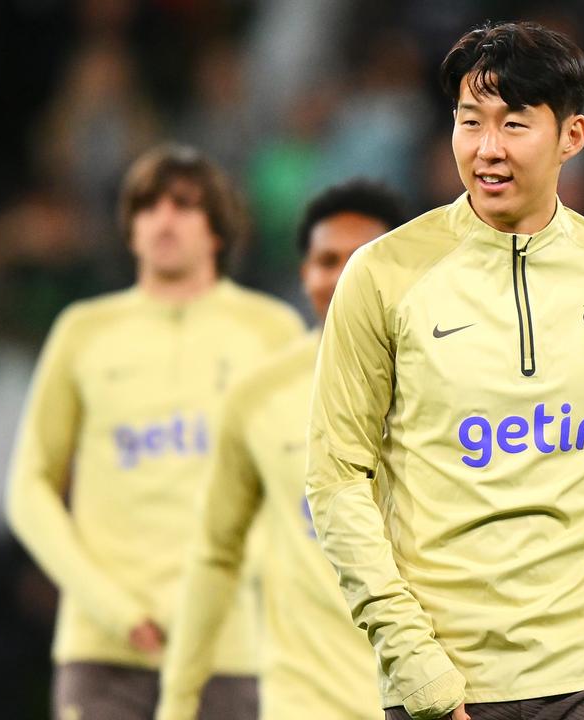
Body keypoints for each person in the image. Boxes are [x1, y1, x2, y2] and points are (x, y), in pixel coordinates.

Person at [306, 21, 584, 720]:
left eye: (515, 124)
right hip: (453, 680)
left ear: (572, 137)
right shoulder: (382, 275)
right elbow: (337, 476)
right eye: (471, 122)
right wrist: (414, 663)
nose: (487, 148)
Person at [6, 144, 304, 720]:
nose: (163, 220)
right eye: (147, 207)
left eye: (184, 205)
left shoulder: (272, 331)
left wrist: (238, 584)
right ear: (129, 230)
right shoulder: (82, 331)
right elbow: (28, 489)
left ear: (218, 229)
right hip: (104, 651)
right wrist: (111, 607)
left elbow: (302, 481)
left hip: (230, 648)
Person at [156, 179, 408, 719]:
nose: (342, 277)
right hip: (306, 700)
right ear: (304, 274)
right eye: (326, 259)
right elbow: (215, 554)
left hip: (424, 699)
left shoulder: (455, 389)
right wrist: (177, 700)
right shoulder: (258, 397)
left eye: (362, 259)